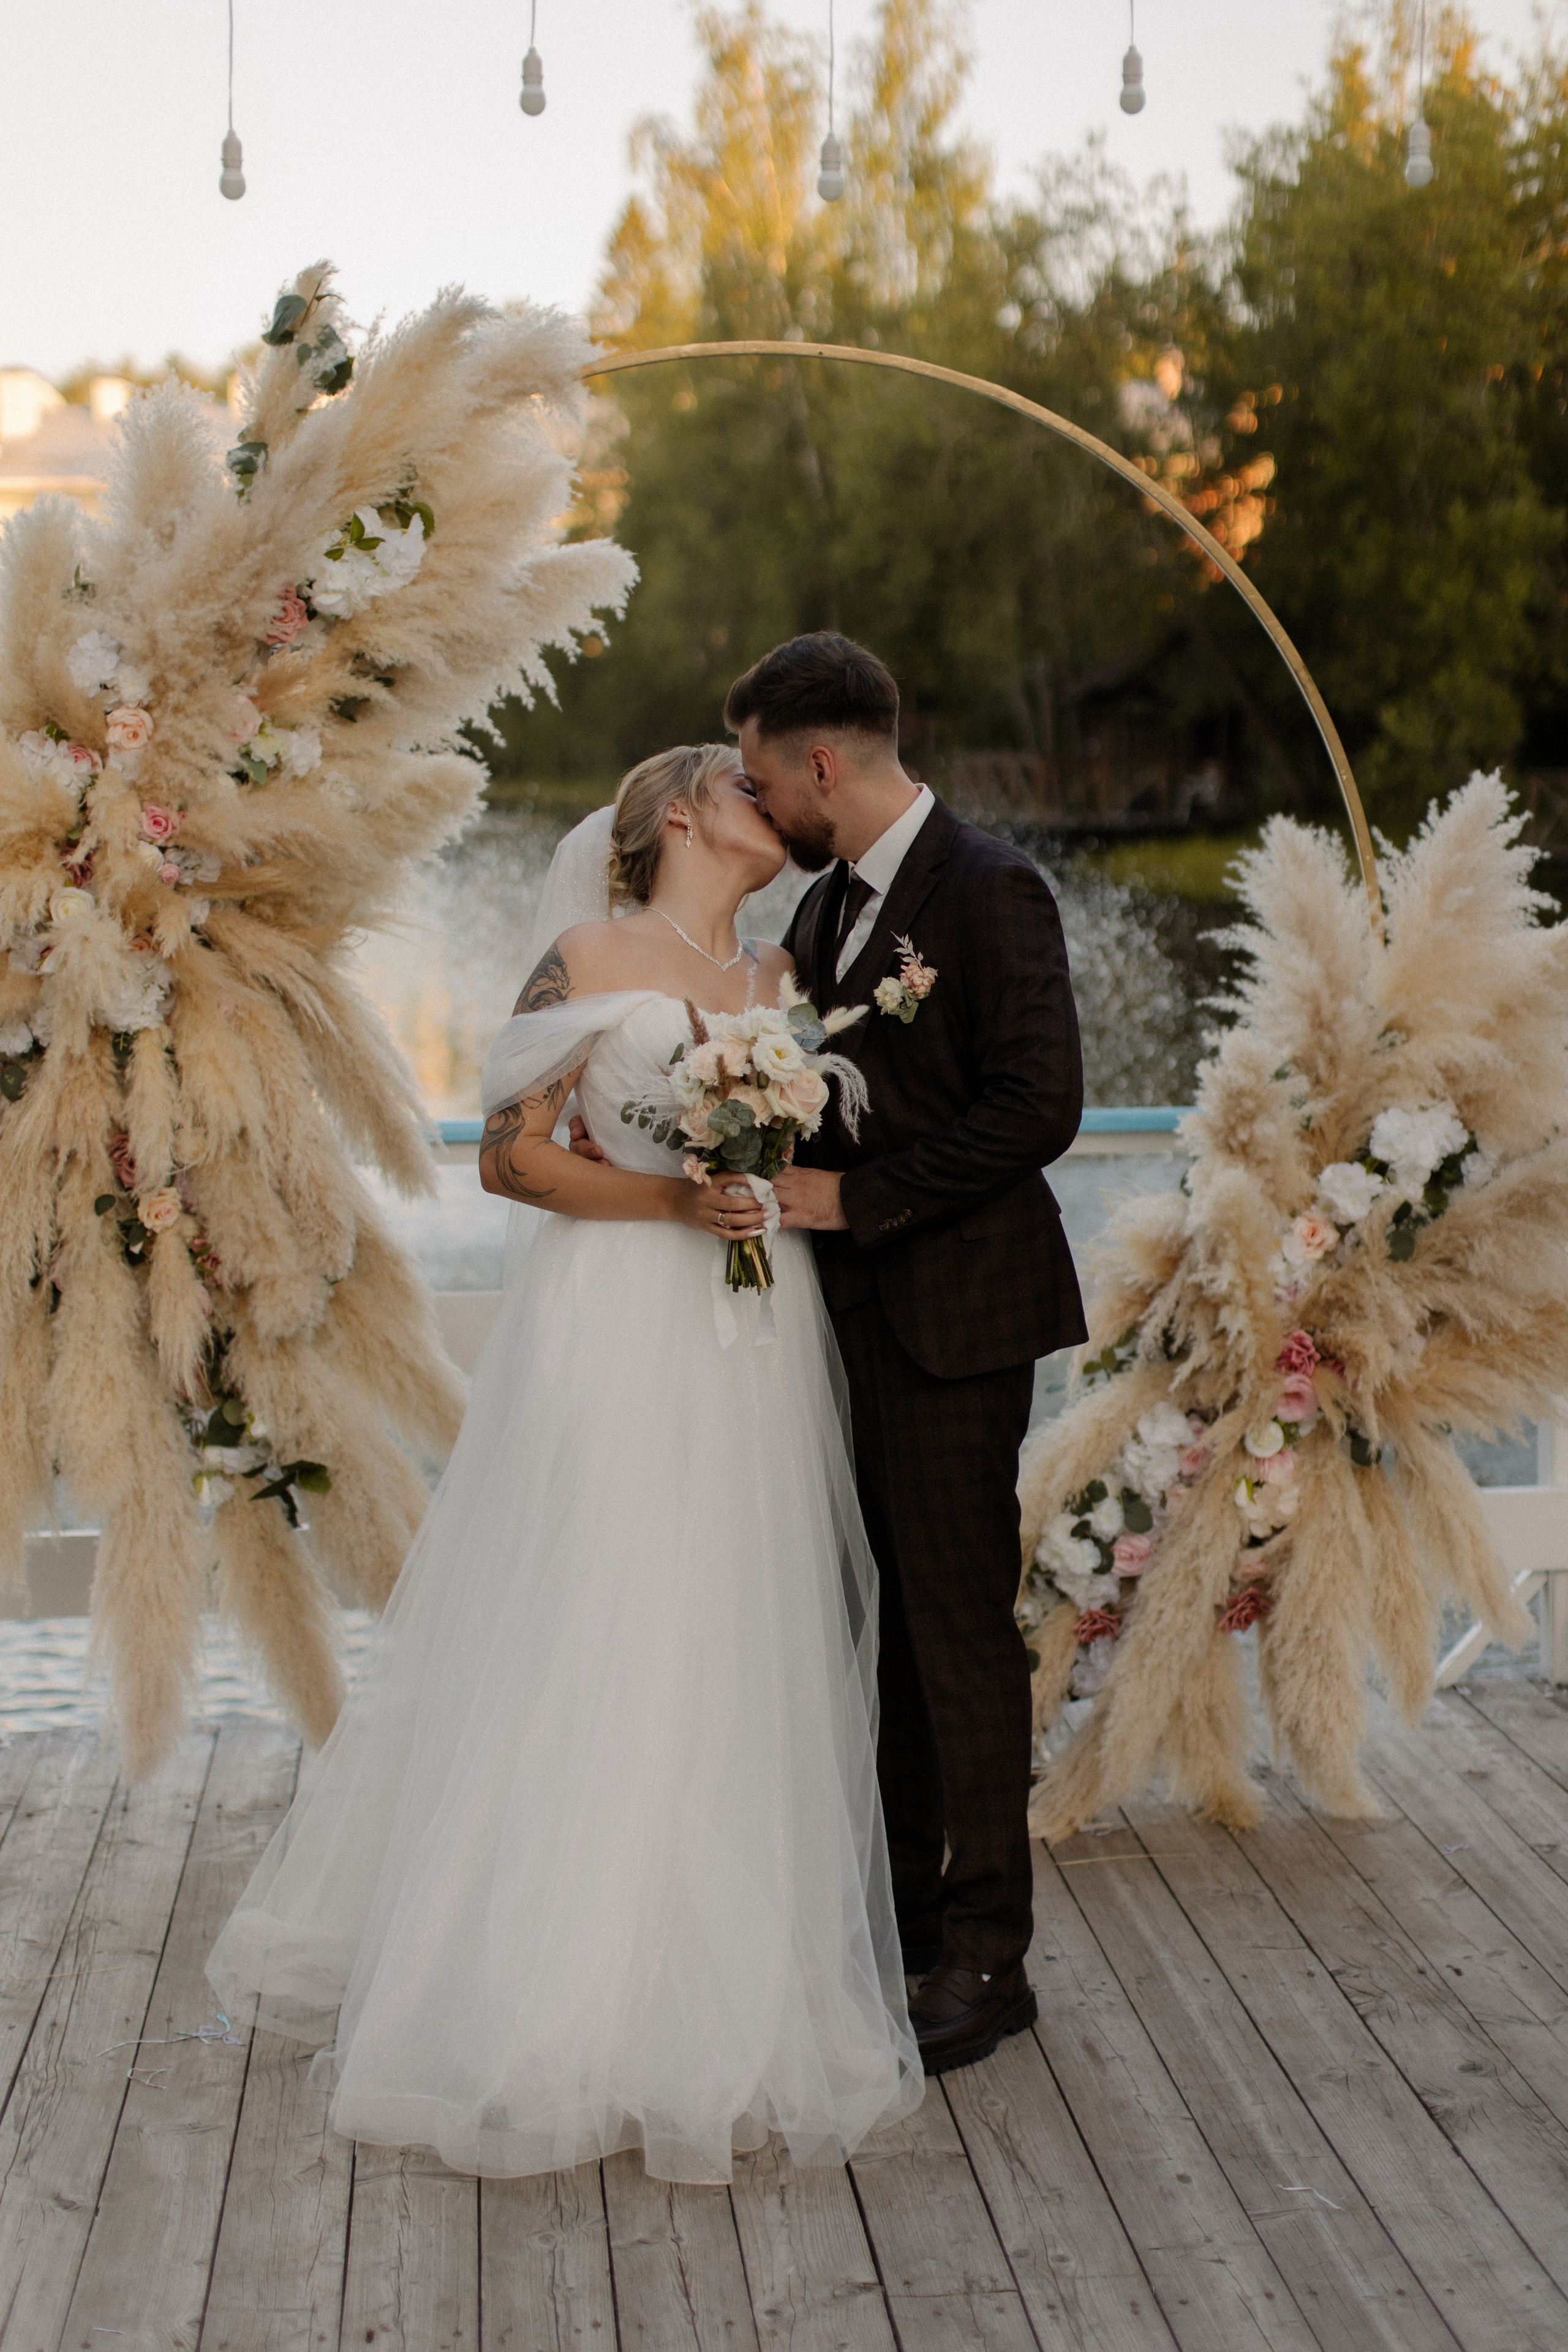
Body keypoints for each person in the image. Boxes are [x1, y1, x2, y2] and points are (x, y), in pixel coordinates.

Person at [206, 742, 921, 2184]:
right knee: (601, 1610)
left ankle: (718, 1975)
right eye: (742, 787)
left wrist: (757, 1185)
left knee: (732, 1621)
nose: (769, 804)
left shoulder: (780, 977)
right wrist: (673, 1202)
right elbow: (506, 1156)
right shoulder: (586, 955)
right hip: (618, 1314)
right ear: (679, 815)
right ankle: (550, 1978)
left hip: (757, 1333)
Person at [728, 633, 1087, 2075]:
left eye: (762, 777)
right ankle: (908, 1919)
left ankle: (988, 1956)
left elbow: (1038, 1106)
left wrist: (855, 1201)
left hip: (955, 1322)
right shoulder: (822, 912)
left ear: (821, 762)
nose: (758, 805)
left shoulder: (989, 888)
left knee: (955, 1632)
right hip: (842, 1325)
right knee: (877, 1631)